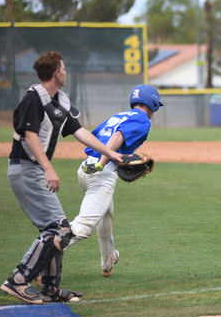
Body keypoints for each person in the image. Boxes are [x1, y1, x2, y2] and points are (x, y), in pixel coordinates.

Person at [1, 51, 122, 305]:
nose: (66, 72)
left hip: (34, 170)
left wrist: (109, 152)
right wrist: (48, 168)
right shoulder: (34, 99)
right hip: (25, 168)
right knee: (57, 229)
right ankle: (18, 280)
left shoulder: (60, 102)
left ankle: (49, 289)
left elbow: (80, 132)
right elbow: (30, 136)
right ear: (56, 72)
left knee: (60, 229)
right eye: (64, 69)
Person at [65, 84, 163, 277]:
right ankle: (44, 256)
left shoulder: (119, 115)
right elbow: (118, 136)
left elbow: (94, 138)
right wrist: (102, 163)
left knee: (106, 214)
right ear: (152, 103)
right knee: (84, 227)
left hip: (86, 168)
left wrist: (96, 162)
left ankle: (108, 260)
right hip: (101, 171)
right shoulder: (143, 119)